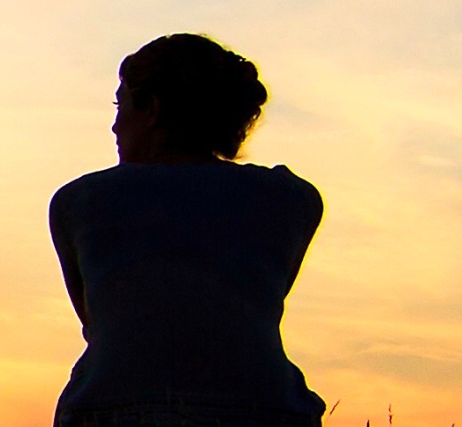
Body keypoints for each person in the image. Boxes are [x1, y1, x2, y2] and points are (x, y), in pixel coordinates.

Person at [48, 33, 326, 427]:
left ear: (153, 110)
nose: (114, 126)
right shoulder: (291, 199)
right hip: (266, 411)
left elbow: (98, 323)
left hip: (114, 412)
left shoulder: (81, 201)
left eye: (120, 104)